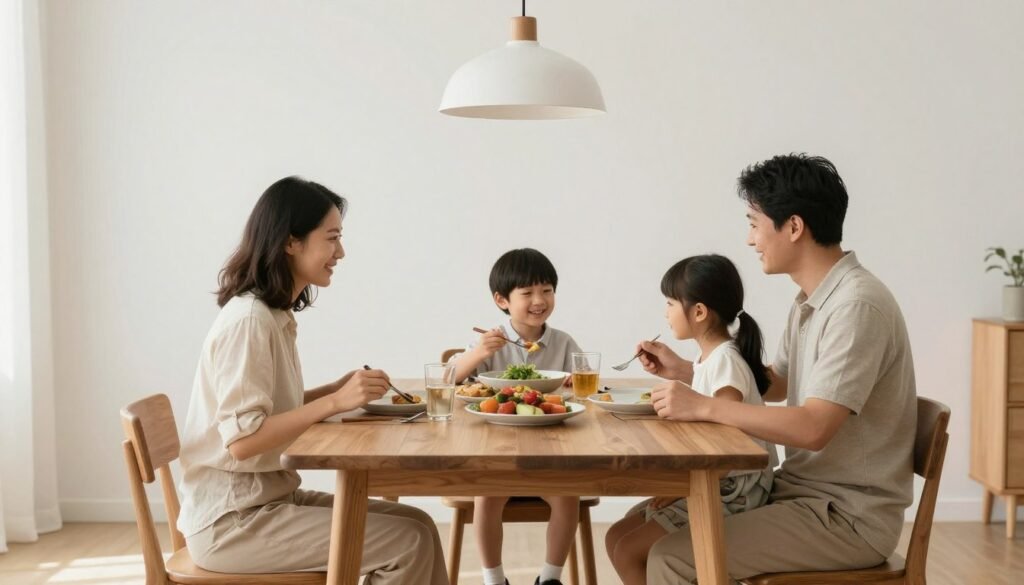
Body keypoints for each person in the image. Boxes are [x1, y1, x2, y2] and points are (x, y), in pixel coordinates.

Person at [637, 154, 917, 583]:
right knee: (637, 535)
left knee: (673, 558)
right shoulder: (812, 299)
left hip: (845, 516)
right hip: (799, 491)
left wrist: (705, 407)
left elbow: (813, 428)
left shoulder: (856, 306)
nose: (750, 239)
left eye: (754, 222)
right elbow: (773, 385)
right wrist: (692, 374)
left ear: (794, 227)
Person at [177, 176, 449, 584]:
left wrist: (334, 392)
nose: (340, 252)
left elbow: (265, 412)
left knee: (420, 525)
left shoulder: (273, 315)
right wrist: (334, 403)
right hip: (231, 522)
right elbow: (243, 442)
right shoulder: (250, 321)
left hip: (266, 499)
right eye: (332, 238)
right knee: (407, 540)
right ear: (291, 241)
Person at [605, 254, 778, 585]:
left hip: (733, 489)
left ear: (699, 312)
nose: (665, 312)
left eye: (671, 303)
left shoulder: (726, 362)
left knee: (629, 549)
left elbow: (726, 446)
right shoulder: (710, 358)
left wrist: (679, 487)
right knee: (617, 537)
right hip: (717, 479)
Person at [449, 248, 582, 585]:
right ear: (501, 300)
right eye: (527, 293)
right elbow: (447, 379)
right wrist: (479, 352)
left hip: (553, 455)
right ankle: (494, 579)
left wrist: (574, 382)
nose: (539, 300)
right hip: (497, 454)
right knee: (487, 496)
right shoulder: (491, 342)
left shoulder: (564, 343)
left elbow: (585, 389)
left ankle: (550, 577)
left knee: (569, 497)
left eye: (547, 291)